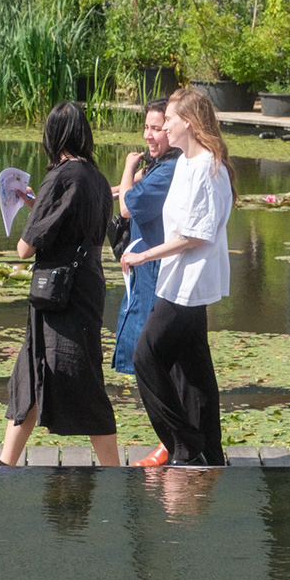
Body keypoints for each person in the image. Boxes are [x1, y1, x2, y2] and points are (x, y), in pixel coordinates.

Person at [0, 102, 121, 469]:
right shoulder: (95, 177)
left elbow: (25, 249)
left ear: (52, 136)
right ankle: (5, 467)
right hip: (83, 288)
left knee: (82, 380)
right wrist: (37, 204)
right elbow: (74, 224)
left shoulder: (62, 177)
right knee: (31, 375)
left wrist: (33, 213)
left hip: (61, 295)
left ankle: (114, 473)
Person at [119, 87, 234, 468]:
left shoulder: (209, 169)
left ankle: (184, 444)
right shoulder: (185, 162)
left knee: (146, 357)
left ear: (187, 122)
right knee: (194, 370)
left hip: (191, 282)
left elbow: (197, 235)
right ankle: (209, 453)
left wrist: (144, 255)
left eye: (168, 119)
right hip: (177, 279)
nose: (163, 127)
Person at [112, 99, 175, 374]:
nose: (148, 135)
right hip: (142, 268)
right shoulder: (157, 165)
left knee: (146, 355)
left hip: (154, 270)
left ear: (171, 129)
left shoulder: (168, 171)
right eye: (146, 127)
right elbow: (119, 191)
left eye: (156, 129)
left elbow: (126, 207)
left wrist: (128, 167)